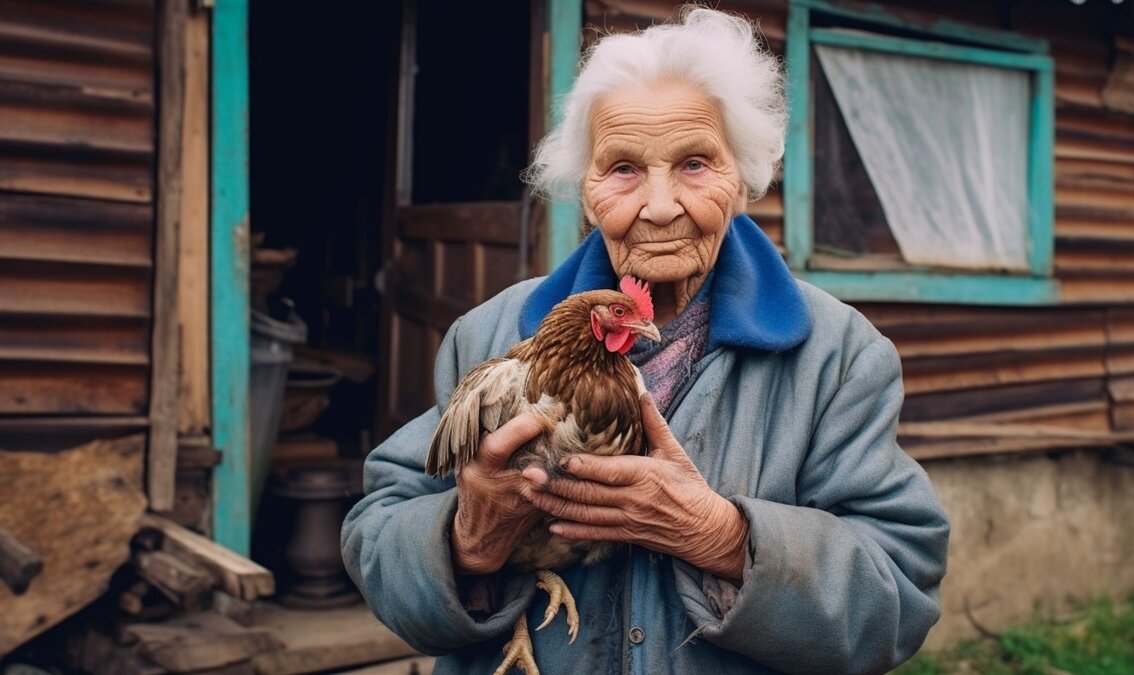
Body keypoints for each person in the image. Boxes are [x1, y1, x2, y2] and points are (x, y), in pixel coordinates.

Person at [342, 7, 949, 674]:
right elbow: (376, 537)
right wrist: (466, 538)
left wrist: (723, 537)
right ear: (587, 191)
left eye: (694, 163)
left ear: (742, 178)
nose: (660, 205)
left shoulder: (837, 357)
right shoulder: (491, 334)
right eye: (623, 168)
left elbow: (898, 596)